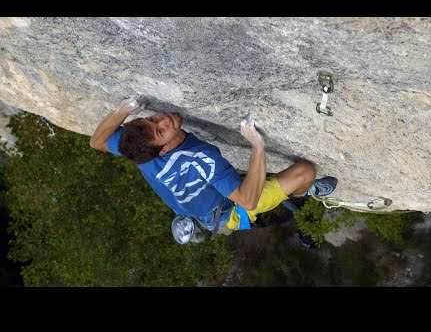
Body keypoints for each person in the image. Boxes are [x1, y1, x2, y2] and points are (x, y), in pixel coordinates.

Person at [90, 95, 337, 244]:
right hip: (231, 210)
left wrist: (122, 110)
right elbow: (247, 200)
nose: (164, 119)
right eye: (161, 131)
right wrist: (257, 146)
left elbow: (97, 141)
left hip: (202, 209)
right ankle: (306, 192)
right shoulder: (201, 159)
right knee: (305, 172)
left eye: (153, 120)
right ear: (162, 150)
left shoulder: (140, 151)